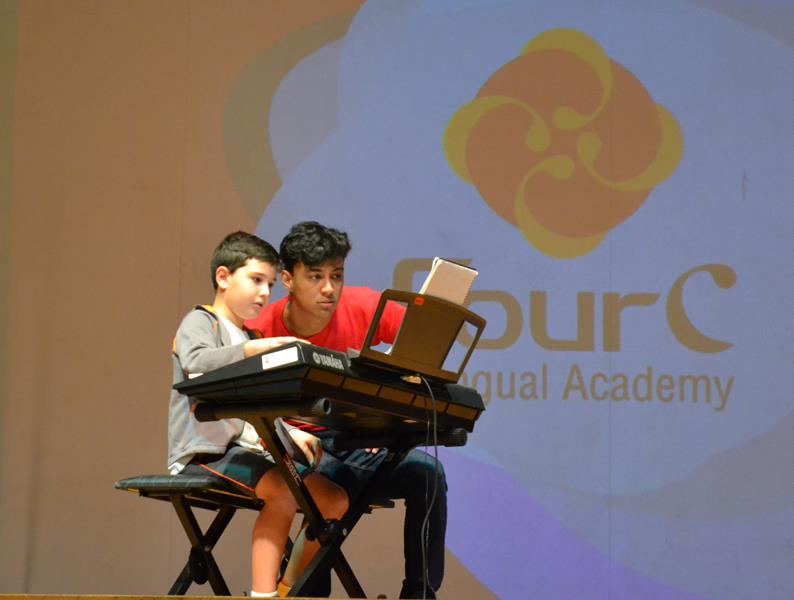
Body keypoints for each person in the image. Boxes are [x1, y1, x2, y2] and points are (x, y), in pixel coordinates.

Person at [247, 221, 448, 599]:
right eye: (316, 276)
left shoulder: (363, 305)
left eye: (336, 276)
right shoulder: (259, 330)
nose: (329, 288)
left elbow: (420, 342)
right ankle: (305, 588)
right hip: (299, 449)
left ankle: (419, 594)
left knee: (427, 474)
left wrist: (379, 419)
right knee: (331, 485)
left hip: (356, 441)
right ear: (287, 279)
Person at [168, 230, 349, 598]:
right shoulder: (201, 322)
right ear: (223, 277)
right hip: (203, 454)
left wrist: (290, 433)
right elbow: (197, 362)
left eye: (269, 284)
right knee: (283, 490)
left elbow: (260, 406)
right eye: (255, 280)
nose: (265, 293)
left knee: (334, 499)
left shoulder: (249, 335)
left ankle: (287, 589)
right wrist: (255, 350)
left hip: (246, 452)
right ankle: (262, 595)